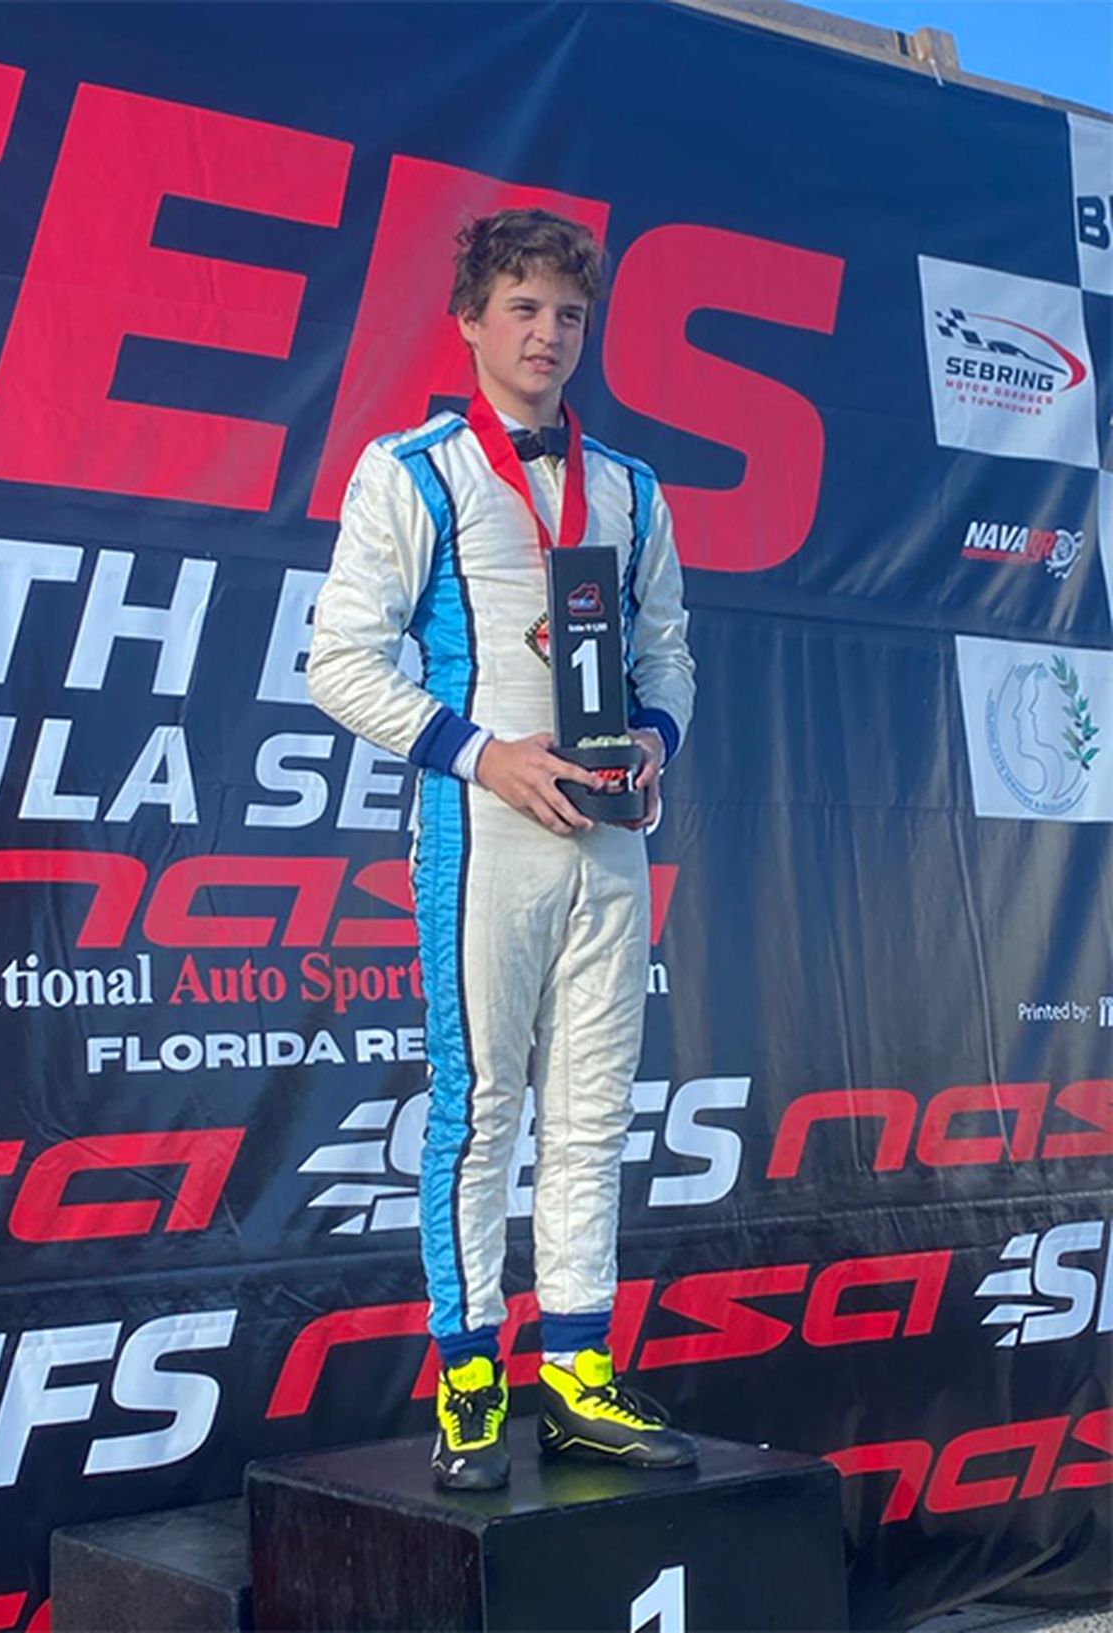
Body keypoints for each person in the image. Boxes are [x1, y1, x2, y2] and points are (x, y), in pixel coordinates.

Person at [307, 208, 696, 1490]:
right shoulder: (412, 469)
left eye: (569, 314)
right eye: (523, 307)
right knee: (480, 1115)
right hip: (484, 835)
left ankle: (578, 1374)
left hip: (610, 844)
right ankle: (469, 1381)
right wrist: (485, 755)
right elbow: (337, 663)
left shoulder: (631, 488)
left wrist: (653, 741)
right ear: (470, 320)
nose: (548, 333)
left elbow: (669, 654)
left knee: (590, 1115)